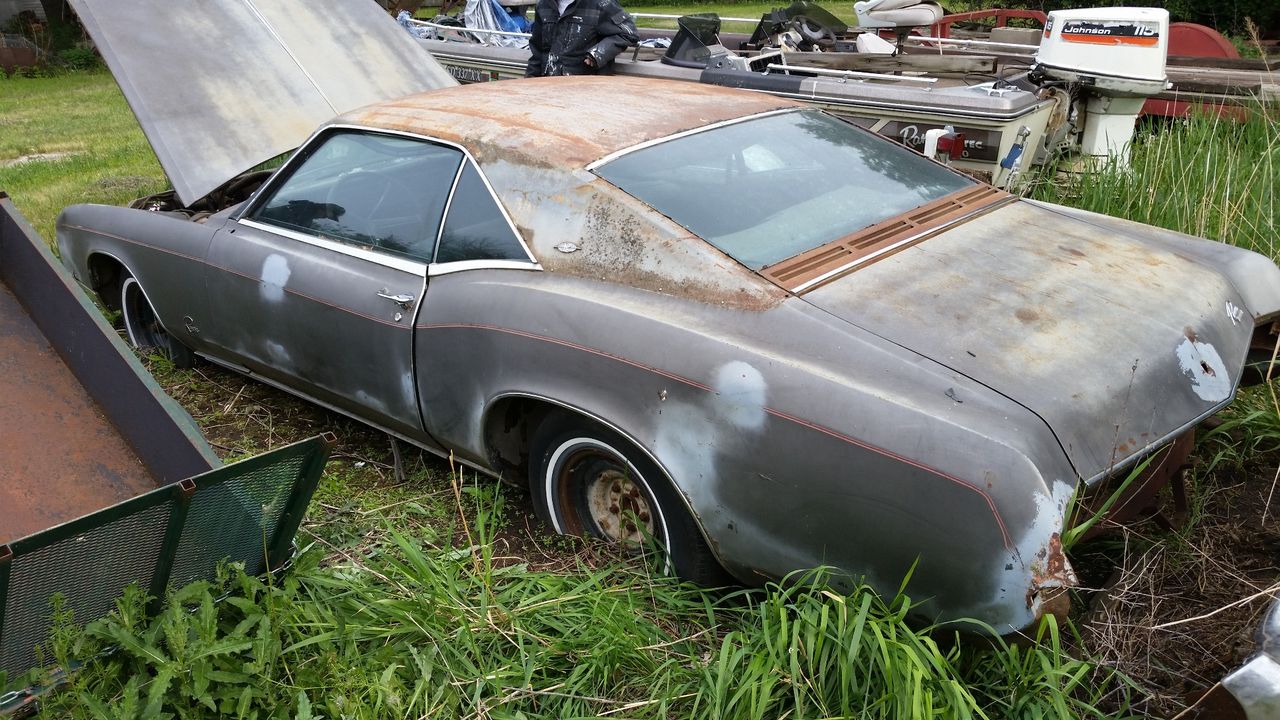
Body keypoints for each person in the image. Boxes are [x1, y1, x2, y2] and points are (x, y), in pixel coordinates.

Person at [524, 0, 638, 77]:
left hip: (585, 87)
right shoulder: (543, 5)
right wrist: (529, 82)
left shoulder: (601, 3)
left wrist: (597, 54)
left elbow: (628, 32)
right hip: (548, 85)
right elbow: (537, 50)